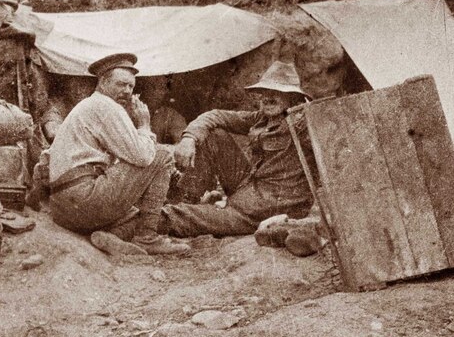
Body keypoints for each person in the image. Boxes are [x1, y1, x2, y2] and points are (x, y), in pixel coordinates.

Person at [48, 53, 190, 255]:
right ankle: (147, 238)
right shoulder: (107, 107)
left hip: (63, 209)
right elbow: (143, 157)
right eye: (121, 84)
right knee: (162, 155)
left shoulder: (88, 105)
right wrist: (144, 125)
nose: (127, 91)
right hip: (83, 198)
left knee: (137, 214)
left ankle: (114, 236)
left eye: (131, 87)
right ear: (103, 83)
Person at [162, 60, 315, 238]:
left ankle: (156, 220)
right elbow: (216, 115)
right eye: (264, 92)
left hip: (269, 209)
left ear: (293, 98)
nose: (268, 97)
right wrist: (189, 138)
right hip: (248, 190)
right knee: (213, 136)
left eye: (277, 92)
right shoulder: (262, 118)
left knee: (184, 218)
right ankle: (187, 198)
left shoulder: (303, 123)